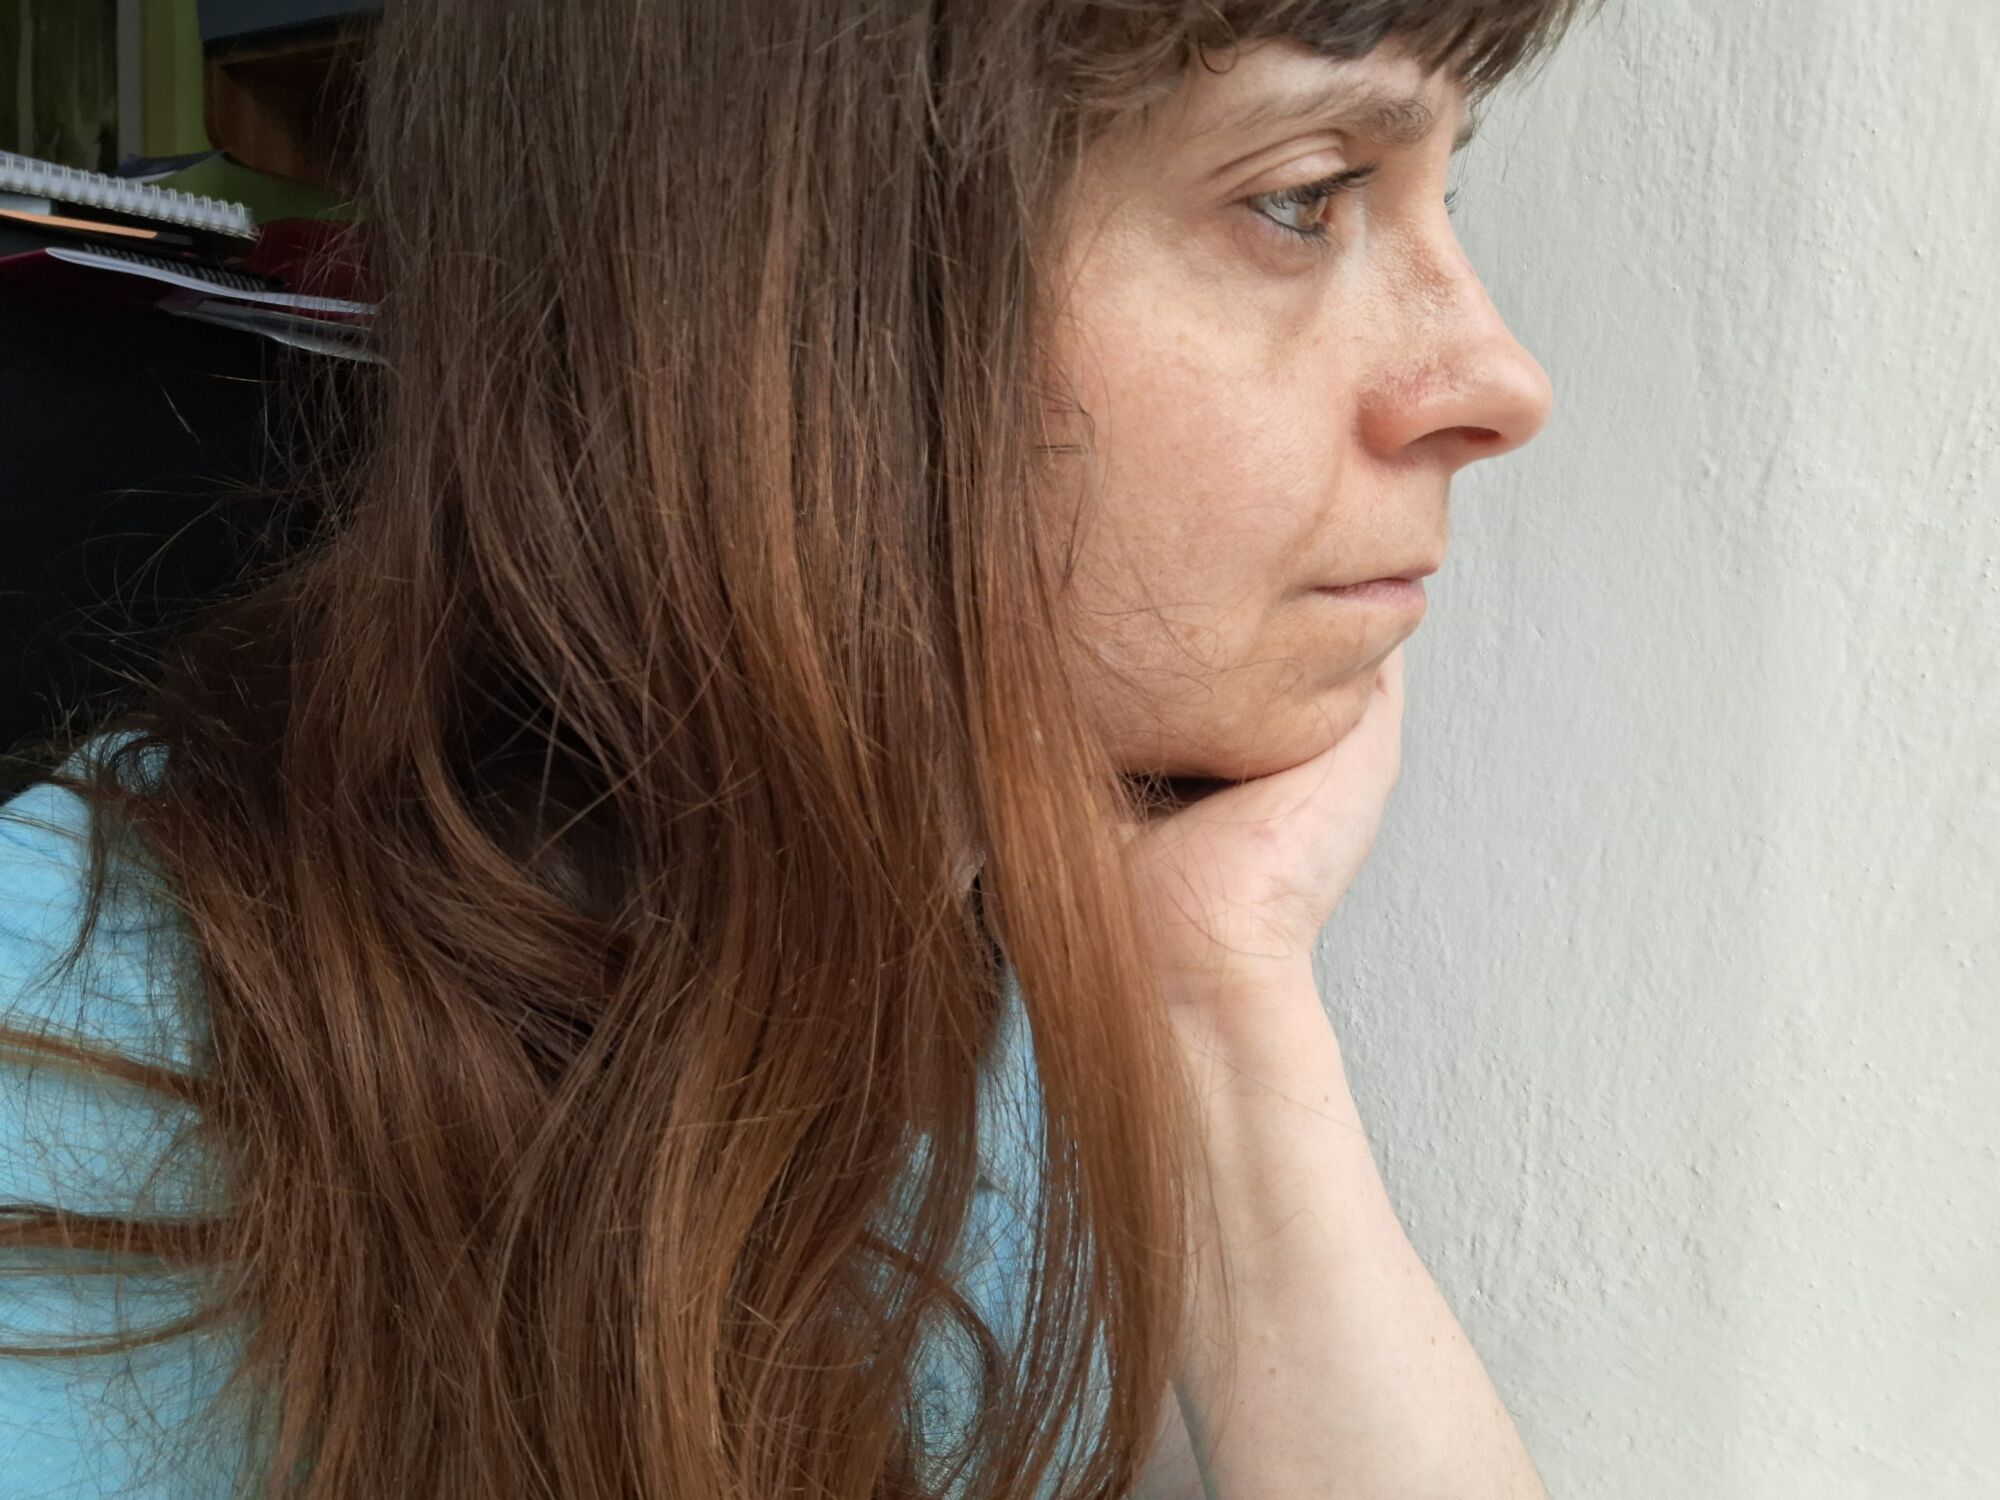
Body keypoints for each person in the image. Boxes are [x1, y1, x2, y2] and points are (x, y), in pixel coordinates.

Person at [0, 2, 1600, 1496]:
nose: (1498, 379)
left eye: (1444, 189)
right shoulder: (65, 1035)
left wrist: (1223, 1004)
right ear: (790, 277)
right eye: (1305, 198)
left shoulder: (1027, 919)